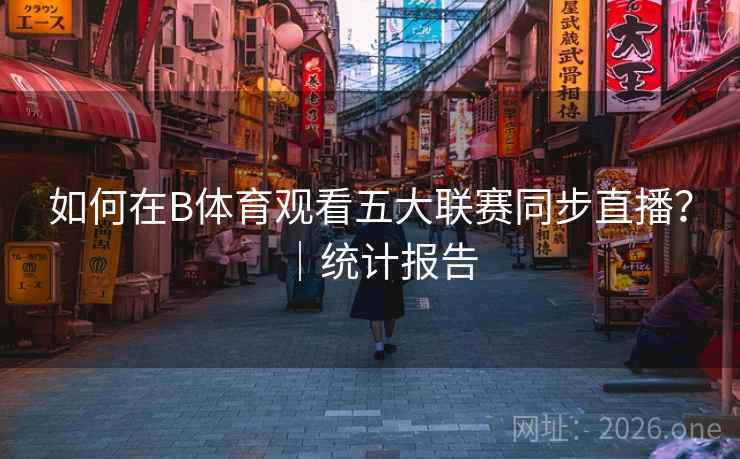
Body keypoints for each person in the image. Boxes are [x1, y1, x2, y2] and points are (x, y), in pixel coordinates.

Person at [625, 255, 721, 373]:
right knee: (695, 354)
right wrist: (733, 325)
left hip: (653, 335)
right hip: (653, 338)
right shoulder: (689, 292)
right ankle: (654, 360)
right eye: (714, 277)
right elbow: (709, 322)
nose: (716, 281)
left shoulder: (692, 288)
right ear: (702, 276)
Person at [350, 199, 407, 361]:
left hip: (373, 273)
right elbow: (404, 249)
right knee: (392, 310)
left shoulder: (366, 230)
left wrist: (365, 265)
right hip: (392, 273)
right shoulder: (395, 228)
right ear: (387, 211)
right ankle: (388, 342)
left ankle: (379, 347)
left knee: (374, 311)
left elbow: (354, 250)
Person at [279, 205, 321, 308]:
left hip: (291, 249)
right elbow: (315, 235)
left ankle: (291, 300)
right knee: (308, 273)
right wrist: (315, 251)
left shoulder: (289, 214)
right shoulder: (313, 214)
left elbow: (284, 234)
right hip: (307, 250)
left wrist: (284, 249)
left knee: (291, 274)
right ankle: (307, 296)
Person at [205, 223, 254, 287]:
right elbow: (226, 252)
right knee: (225, 258)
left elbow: (243, 246)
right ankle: (220, 282)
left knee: (243, 256)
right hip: (213, 253)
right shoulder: (225, 235)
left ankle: (244, 279)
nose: (242, 234)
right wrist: (239, 250)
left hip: (226, 253)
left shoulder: (239, 236)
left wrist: (243, 250)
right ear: (235, 230)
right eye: (241, 232)